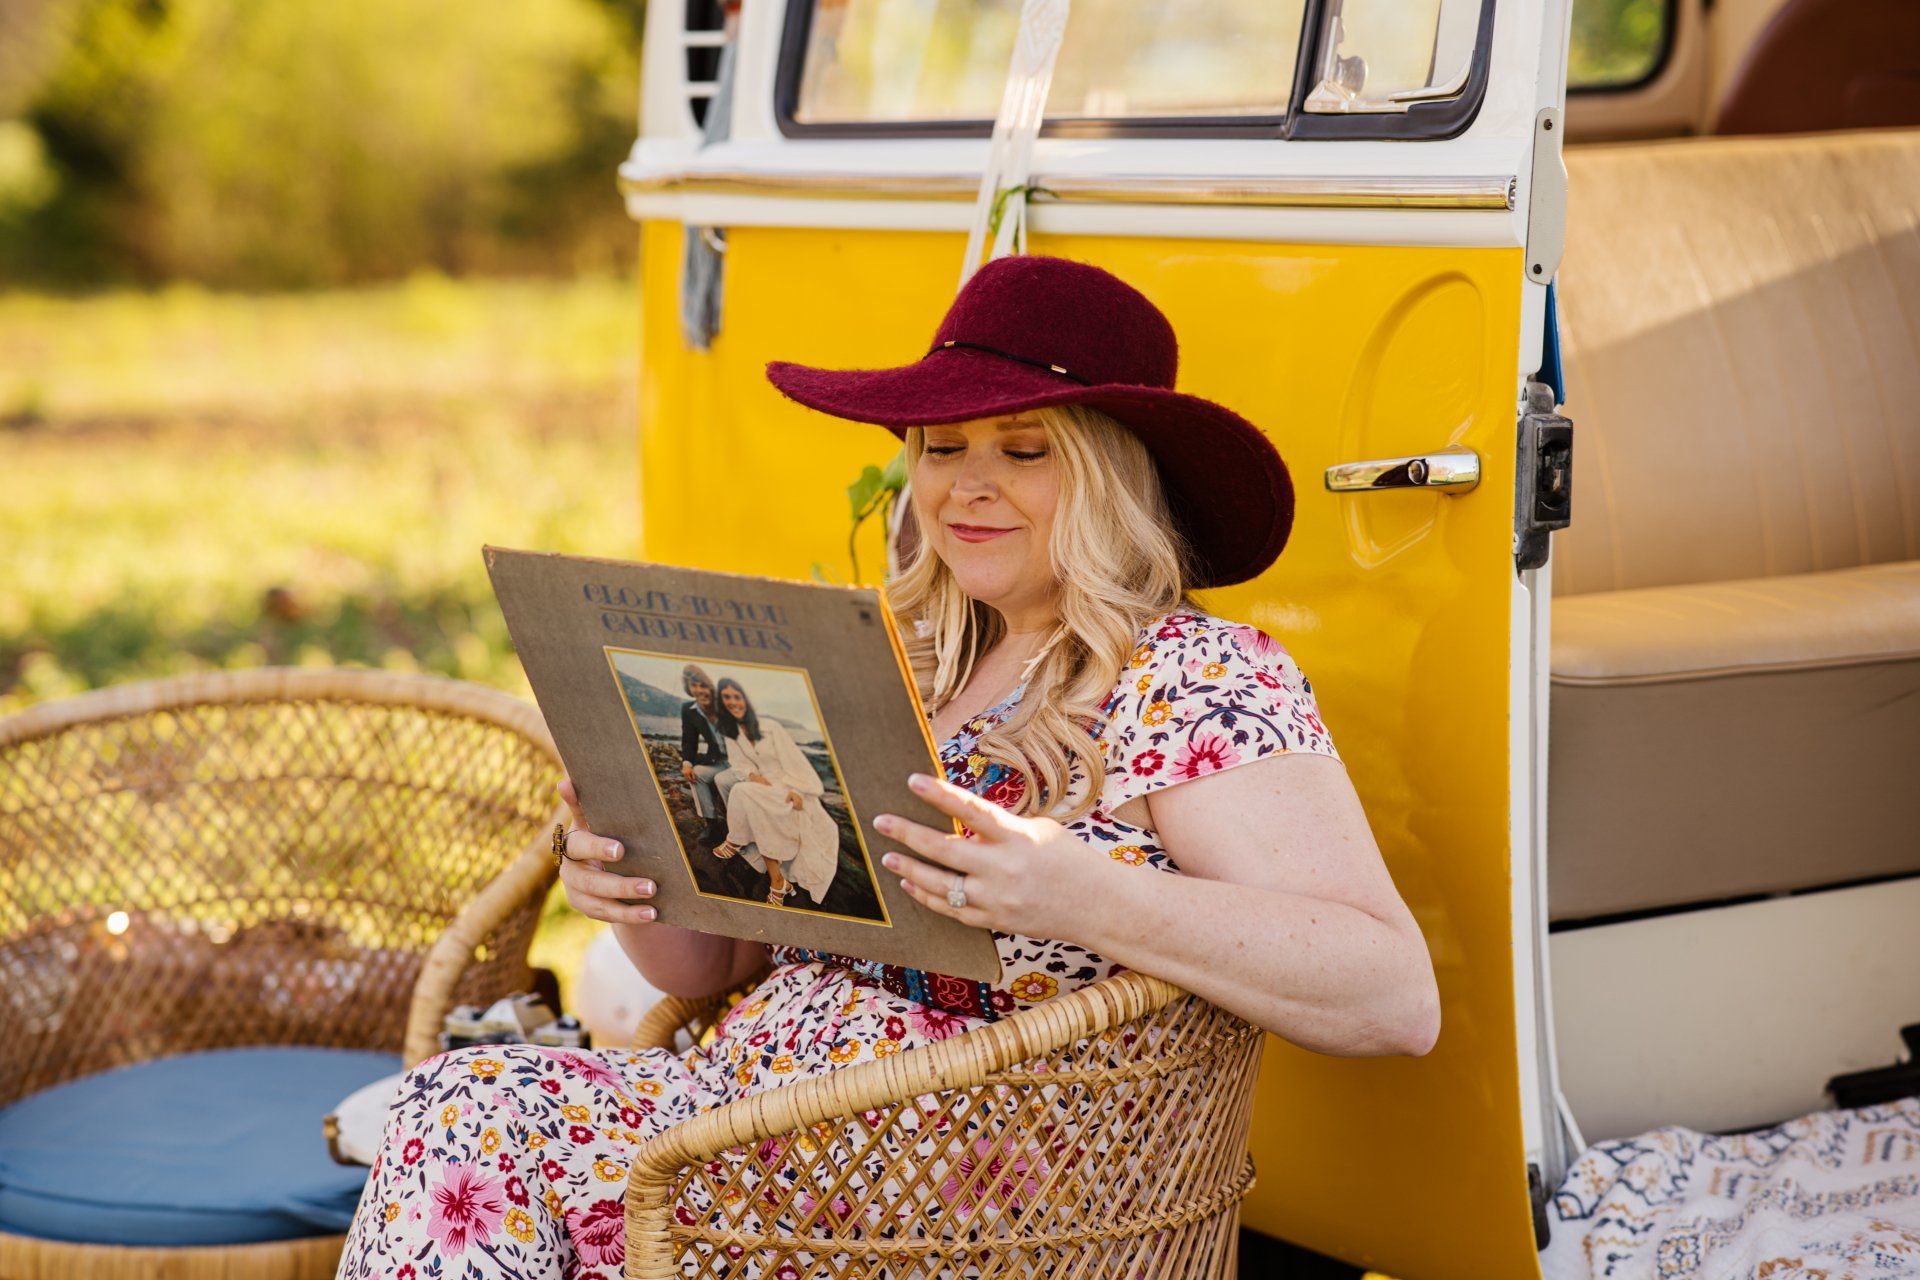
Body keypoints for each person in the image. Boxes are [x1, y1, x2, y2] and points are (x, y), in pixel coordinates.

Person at [335, 255, 1439, 1278]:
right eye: (942, 447)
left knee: (473, 1134)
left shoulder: (1189, 672)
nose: (967, 486)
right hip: (745, 1126)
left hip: (961, 1190)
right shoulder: (898, 657)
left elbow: (1392, 994)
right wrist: (639, 869)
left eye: (1024, 447)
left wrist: (1086, 893)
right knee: (459, 1107)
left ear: (1112, 474)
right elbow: (703, 971)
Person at [705, 676, 841, 906]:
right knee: (750, 798)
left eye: (736, 696)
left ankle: (736, 840)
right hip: (763, 785)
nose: (732, 702)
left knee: (742, 793)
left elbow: (796, 761)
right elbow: (738, 763)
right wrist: (752, 775)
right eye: (726, 697)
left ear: (745, 699)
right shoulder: (730, 731)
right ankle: (778, 882)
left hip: (788, 784)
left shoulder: (770, 727)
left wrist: (797, 789)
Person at [675, 663, 732, 849]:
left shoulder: (724, 704)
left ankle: (735, 828)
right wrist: (687, 762)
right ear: (689, 688)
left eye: (702, 685)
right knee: (696, 773)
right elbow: (689, 740)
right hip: (718, 760)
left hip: (739, 761)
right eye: (694, 686)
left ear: (709, 686)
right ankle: (711, 824)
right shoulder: (688, 710)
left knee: (724, 781)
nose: (699, 689)